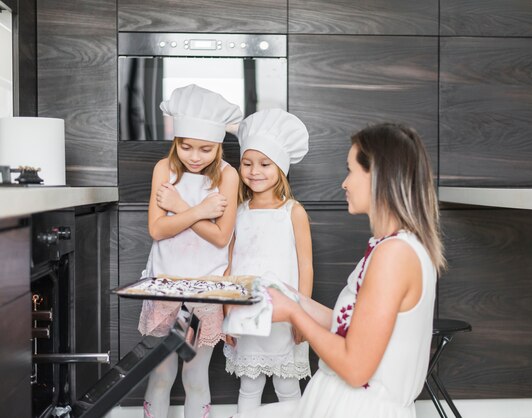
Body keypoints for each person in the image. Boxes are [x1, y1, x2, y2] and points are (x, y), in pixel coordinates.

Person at [234, 122, 446, 418]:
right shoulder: (392, 247)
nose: (344, 183)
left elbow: (356, 368)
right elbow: (357, 328)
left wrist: (295, 315)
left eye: (350, 171)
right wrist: (294, 299)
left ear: (377, 177)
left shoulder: (394, 255)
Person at [137, 84, 242, 418]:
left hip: (206, 291)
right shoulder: (163, 170)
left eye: (206, 149)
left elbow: (221, 237)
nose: (195, 157)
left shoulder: (228, 176)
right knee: (161, 374)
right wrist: (199, 211)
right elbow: (157, 229)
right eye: (186, 147)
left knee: (195, 375)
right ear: (176, 142)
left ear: (219, 146)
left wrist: (180, 208)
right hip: (166, 285)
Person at [223, 109, 313, 413]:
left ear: (281, 169)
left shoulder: (293, 212)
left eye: (264, 164)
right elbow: (231, 261)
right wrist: (226, 309)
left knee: (287, 386)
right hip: (246, 314)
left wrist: (303, 314)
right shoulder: (239, 211)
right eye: (247, 163)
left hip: (285, 316)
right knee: (249, 385)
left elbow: (306, 266)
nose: (254, 171)